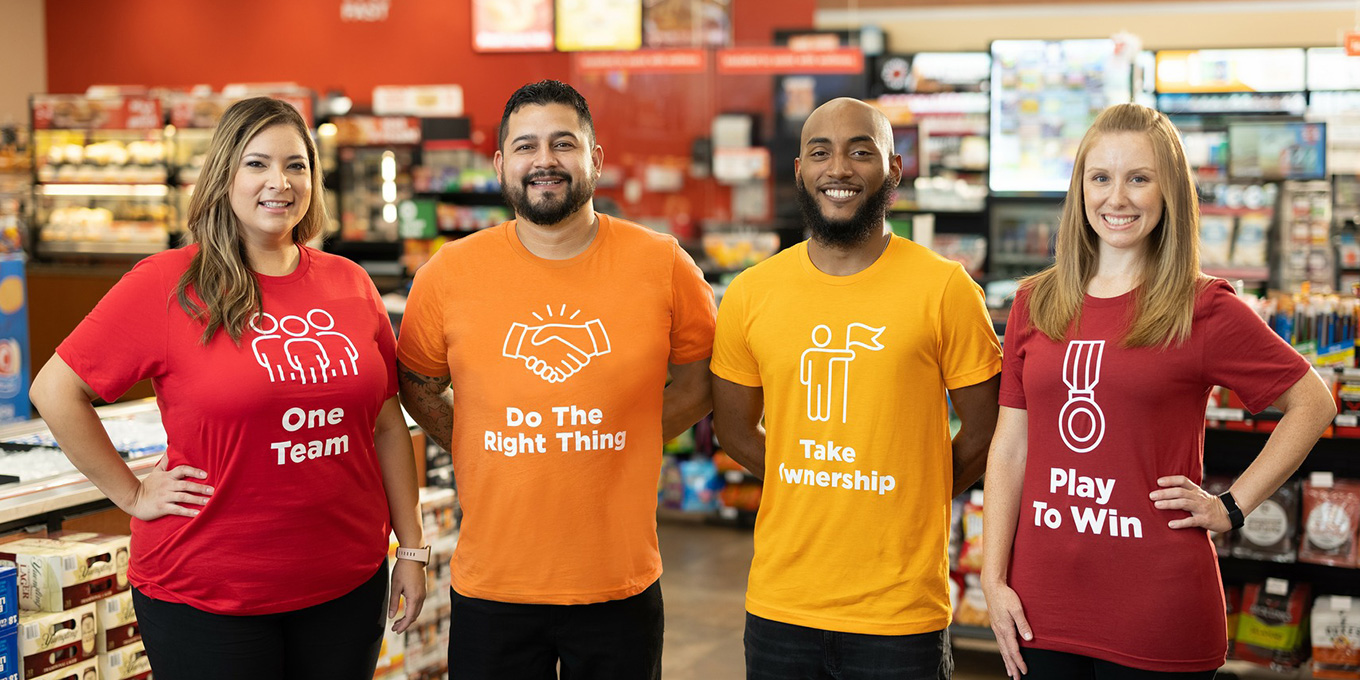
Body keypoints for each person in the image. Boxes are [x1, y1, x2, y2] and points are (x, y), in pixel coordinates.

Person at [29, 97, 426, 680]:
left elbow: (387, 423)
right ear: (224, 176)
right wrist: (133, 495)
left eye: (297, 166)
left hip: (346, 586)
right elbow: (54, 391)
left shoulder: (350, 282)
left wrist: (410, 549)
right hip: (208, 594)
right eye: (257, 164)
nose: (280, 183)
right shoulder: (168, 284)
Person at [982, 102, 1337, 680]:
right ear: (1080, 190)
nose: (1116, 198)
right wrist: (993, 579)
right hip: (1040, 606)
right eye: (1101, 177)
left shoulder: (1204, 307)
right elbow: (1010, 448)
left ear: (1168, 191)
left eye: (1138, 178)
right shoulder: (1036, 301)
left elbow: (1313, 401)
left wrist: (1232, 506)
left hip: (1157, 608)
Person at [395, 80, 716, 679]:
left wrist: (629, 433)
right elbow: (415, 384)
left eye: (563, 143)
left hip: (618, 584)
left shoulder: (663, 263)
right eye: (526, 146)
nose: (544, 160)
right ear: (501, 165)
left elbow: (701, 382)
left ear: (595, 158)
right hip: (494, 584)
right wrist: (479, 438)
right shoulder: (449, 273)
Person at [711, 97, 1002, 679]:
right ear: (799, 170)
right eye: (820, 152)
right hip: (781, 605)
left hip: (900, 614)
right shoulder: (750, 293)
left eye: (860, 152)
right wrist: (810, 482)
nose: (838, 169)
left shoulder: (945, 290)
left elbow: (989, 428)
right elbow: (735, 428)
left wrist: (918, 484)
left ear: (894, 170)